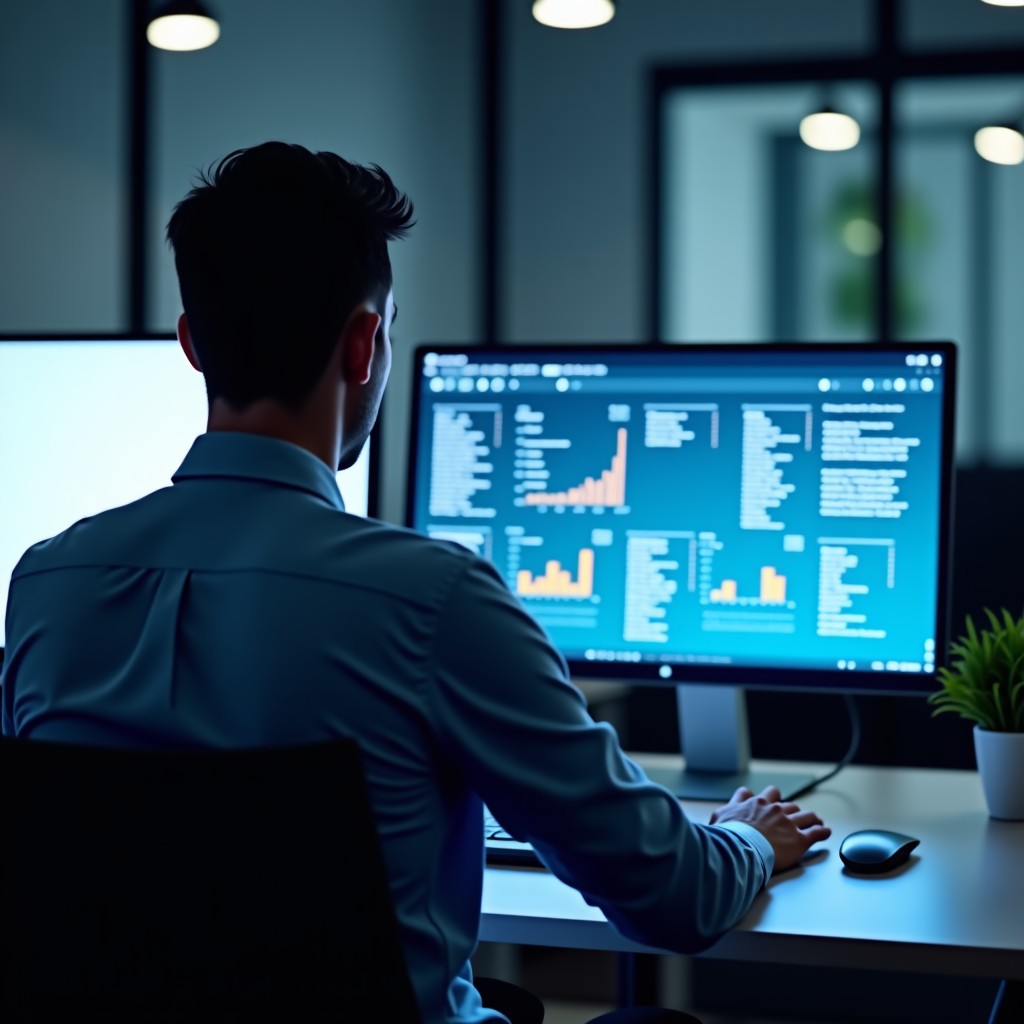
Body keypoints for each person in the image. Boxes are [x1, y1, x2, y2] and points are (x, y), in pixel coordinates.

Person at [1, 142, 830, 1024]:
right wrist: (746, 838)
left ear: (192, 344)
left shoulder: (46, 583)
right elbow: (672, 897)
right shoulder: (431, 601)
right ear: (365, 343)